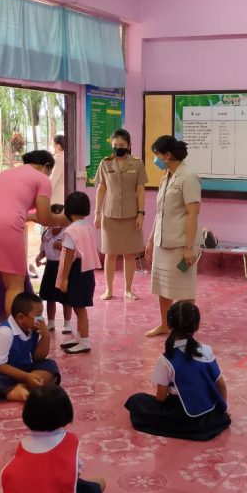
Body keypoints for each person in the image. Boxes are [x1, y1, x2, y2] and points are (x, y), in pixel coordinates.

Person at [0, 149, 66, 341]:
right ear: (46, 167)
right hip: (6, 226)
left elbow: (7, 205)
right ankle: (13, 338)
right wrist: (64, 219)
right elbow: (45, 218)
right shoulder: (42, 178)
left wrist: (27, 216)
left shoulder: (6, 174)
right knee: (14, 285)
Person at [0, 384, 105, 493]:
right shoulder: (69, 441)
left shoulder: (23, 443)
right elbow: (75, 473)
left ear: (27, 414)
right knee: (98, 485)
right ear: (66, 413)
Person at [125, 301, 230, 441]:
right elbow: (221, 385)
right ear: (197, 325)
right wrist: (223, 410)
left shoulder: (166, 359)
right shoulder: (207, 350)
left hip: (183, 415)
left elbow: (161, 397)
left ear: (169, 324)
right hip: (210, 415)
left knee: (136, 400)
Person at [145, 135, 201, 337]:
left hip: (180, 244)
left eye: (157, 155)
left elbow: (192, 213)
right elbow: (160, 212)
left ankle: (186, 332)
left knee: (184, 290)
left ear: (167, 155)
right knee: (163, 287)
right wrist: (151, 240)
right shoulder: (166, 176)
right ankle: (165, 325)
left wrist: (189, 247)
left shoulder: (188, 176)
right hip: (162, 242)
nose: (156, 159)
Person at [0, 292, 60, 403]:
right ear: (21, 318)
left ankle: (22, 387)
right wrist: (26, 377)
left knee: (50, 364)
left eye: (41, 314)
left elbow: (37, 358)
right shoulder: (3, 333)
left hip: (20, 368)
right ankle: (12, 392)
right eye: (38, 315)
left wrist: (46, 336)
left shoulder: (31, 328)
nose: (41, 319)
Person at [95, 129, 148, 301]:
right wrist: (97, 213)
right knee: (110, 254)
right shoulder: (105, 163)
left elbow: (140, 190)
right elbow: (101, 188)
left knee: (129, 254)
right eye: (115, 145)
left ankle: (128, 290)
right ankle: (109, 290)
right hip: (110, 215)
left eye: (122, 145)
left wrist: (141, 213)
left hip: (131, 215)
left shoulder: (137, 164)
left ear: (129, 146)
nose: (118, 148)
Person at [55, 191, 100, 355]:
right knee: (78, 306)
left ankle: (85, 341)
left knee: (79, 308)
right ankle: (80, 337)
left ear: (68, 210)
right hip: (87, 271)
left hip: (76, 271)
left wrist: (64, 279)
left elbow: (69, 256)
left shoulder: (71, 230)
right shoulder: (88, 227)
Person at [35, 204, 74, 337]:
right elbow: (43, 250)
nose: (57, 220)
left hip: (63, 266)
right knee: (49, 297)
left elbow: (73, 250)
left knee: (65, 297)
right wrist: (39, 257)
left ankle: (67, 323)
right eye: (54, 216)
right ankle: (51, 322)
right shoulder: (46, 233)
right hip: (50, 267)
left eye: (59, 216)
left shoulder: (68, 233)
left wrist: (62, 246)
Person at [51, 134, 66, 205]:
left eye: (52, 145)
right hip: (62, 194)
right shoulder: (65, 157)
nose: (52, 147)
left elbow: (53, 179)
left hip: (56, 195)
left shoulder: (59, 159)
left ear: (58, 146)